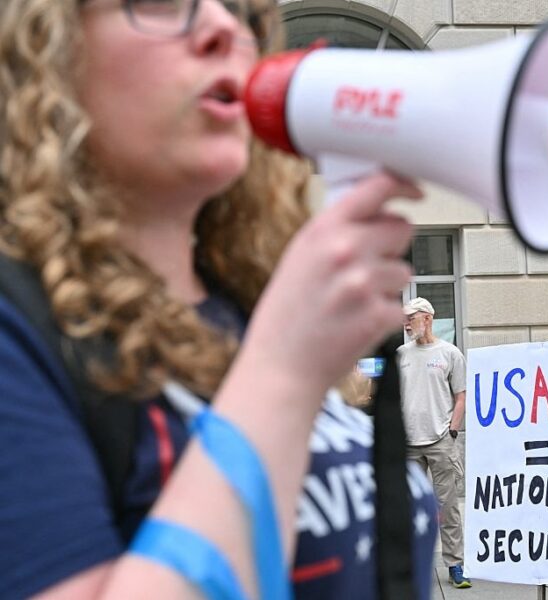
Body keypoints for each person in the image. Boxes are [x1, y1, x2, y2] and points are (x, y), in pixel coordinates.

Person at [0, 1, 437, 598]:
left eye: (240, 12)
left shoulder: (244, 297)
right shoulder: (19, 328)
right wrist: (283, 370)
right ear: (45, 51)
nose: (224, 27)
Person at [398, 297, 471, 589]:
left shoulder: (450, 353)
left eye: (411, 318)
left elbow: (461, 397)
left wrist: (452, 430)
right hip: (408, 442)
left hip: (441, 440)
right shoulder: (401, 355)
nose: (406, 324)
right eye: (404, 319)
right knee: (408, 508)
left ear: (427, 318)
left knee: (448, 507)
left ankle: (455, 565)